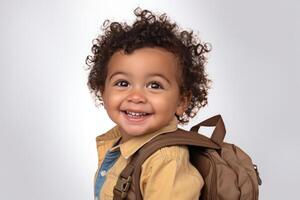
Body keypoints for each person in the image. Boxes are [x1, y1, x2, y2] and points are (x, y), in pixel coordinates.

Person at [86, 7, 212, 200]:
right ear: (103, 91)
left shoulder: (166, 161)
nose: (136, 96)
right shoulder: (118, 144)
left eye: (155, 85)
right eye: (123, 83)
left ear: (181, 101)